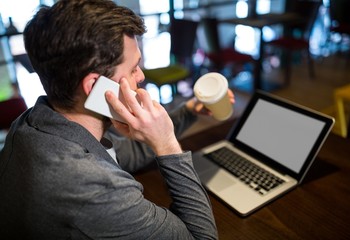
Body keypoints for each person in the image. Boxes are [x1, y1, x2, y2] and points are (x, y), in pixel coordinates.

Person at [0, 0, 235, 239]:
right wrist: (167, 146)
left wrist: (190, 112)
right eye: (133, 69)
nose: (141, 76)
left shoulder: (30, 124)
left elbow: (126, 153)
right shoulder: (90, 185)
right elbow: (202, 237)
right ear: (95, 87)